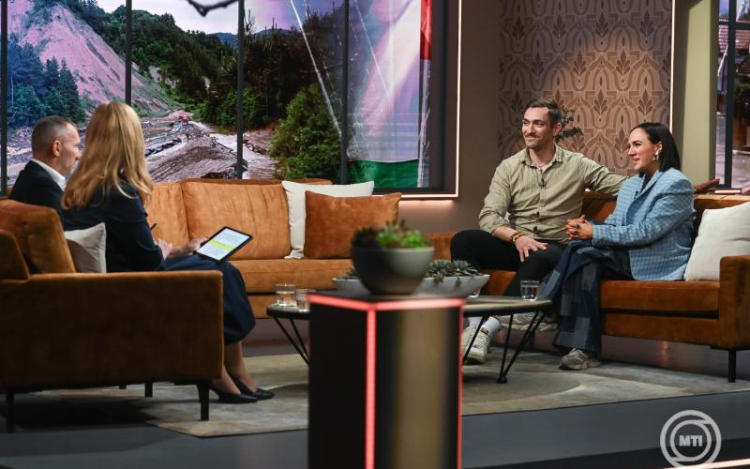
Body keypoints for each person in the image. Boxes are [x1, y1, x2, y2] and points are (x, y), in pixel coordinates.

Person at [453, 99, 717, 364]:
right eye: (525, 123)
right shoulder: (508, 167)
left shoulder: (579, 165)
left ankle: (508, 321)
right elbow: (489, 216)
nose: (529, 130)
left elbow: (637, 194)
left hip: (555, 247)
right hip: (518, 242)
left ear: (556, 129)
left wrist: (686, 186)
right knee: (464, 241)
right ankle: (475, 325)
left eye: (538, 123)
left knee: (560, 254)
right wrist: (517, 237)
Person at [60, 102, 273, 404]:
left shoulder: (79, 188)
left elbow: (127, 249)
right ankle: (230, 371)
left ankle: (227, 371)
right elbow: (148, 261)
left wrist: (176, 250)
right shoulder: (119, 192)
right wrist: (163, 250)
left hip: (110, 281)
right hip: (130, 284)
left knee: (211, 265)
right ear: (130, 142)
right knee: (223, 270)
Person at [540, 123, 695, 370]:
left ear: (658, 147)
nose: (630, 152)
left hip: (655, 261)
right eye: (629, 146)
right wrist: (586, 229)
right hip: (625, 254)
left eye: (637, 145)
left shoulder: (677, 184)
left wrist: (593, 232)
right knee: (585, 257)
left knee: (584, 248)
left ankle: (545, 306)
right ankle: (583, 350)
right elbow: (614, 223)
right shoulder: (631, 185)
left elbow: (647, 232)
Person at [10, 116, 81, 211]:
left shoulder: (29, 177)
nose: (78, 156)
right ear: (57, 148)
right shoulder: (44, 188)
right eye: (76, 146)